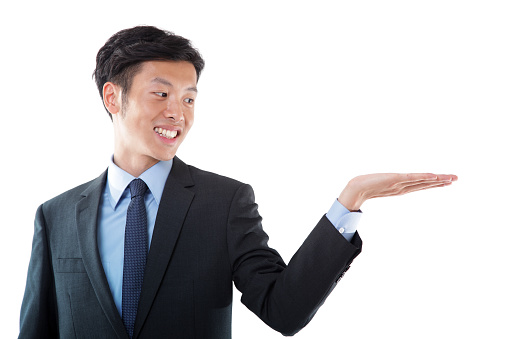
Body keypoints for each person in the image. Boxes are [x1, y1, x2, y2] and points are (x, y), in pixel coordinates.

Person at [19, 26, 457, 339]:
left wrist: (350, 200)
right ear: (113, 97)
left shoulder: (223, 202)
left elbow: (283, 311)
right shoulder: (55, 215)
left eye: (189, 98)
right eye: (161, 94)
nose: (178, 112)